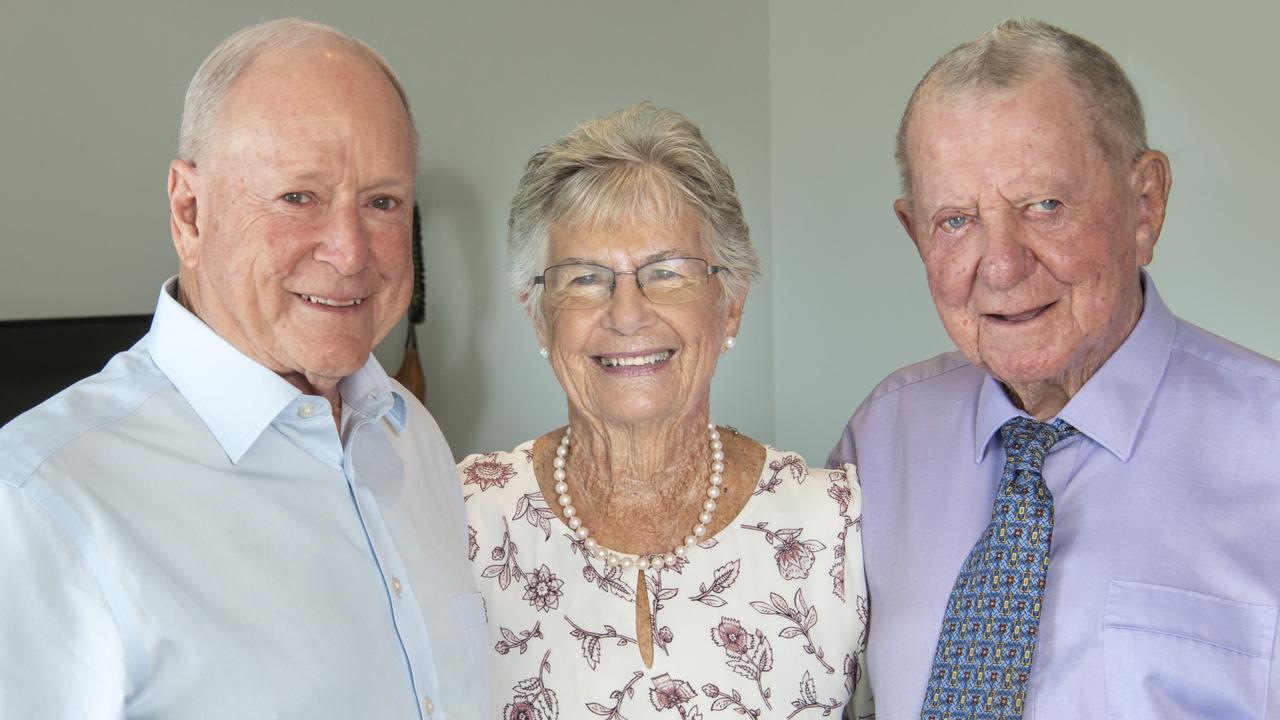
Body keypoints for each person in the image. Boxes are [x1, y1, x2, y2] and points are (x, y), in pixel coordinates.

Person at [0, 18, 488, 719]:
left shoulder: (414, 440)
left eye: (382, 202)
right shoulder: (39, 505)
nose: (351, 252)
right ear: (189, 212)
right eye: (299, 197)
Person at [828, 18, 1280, 720]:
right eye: (955, 221)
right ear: (914, 234)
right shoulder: (881, 443)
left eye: (1045, 206)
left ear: (1145, 205)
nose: (1002, 266)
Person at [460, 102, 873, 719]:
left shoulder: (833, 525)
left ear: (730, 304)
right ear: (538, 316)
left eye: (668, 273)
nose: (627, 313)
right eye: (584, 278)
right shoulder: (463, 521)